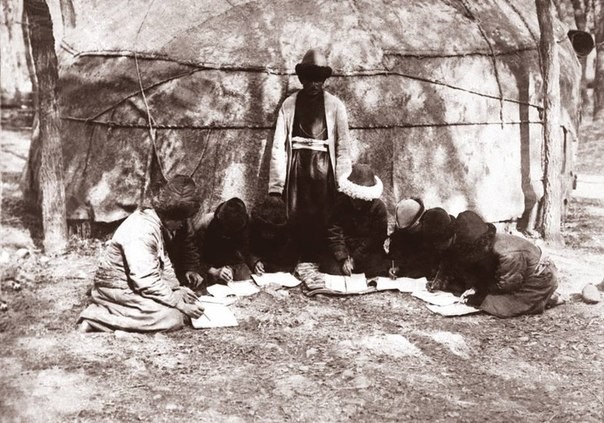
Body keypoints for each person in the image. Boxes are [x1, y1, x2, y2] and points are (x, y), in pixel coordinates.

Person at [77, 175, 205, 332]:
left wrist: (177, 290)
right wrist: (178, 303)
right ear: (170, 216)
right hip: (117, 289)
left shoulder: (156, 224)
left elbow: (164, 264)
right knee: (173, 317)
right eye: (181, 220)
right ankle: (97, 318)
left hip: (133, 286)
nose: (182, 225)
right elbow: (145, 279)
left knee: (180, 300)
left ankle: (111, 312)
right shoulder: (142, 230)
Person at [269, 48, 352, 261]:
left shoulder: (335, 106)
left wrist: (343, 183)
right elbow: (278, 146)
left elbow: (343, 147)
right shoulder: (289, 104)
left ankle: (321, 258)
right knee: (296, 213)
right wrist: (276, 187)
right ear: (302, 79)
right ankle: (296, 257)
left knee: (323, 214)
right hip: (297, 167)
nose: (314, 84)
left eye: (319, 80)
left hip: (323, 167)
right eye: (309, 79)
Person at [432, 210, 561, 318]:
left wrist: (480, 294)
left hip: (539, 279)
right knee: (485, 297)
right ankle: (542, 298)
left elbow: (508, 284)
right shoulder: (490, 246)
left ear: (482, 243)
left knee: (499, 306)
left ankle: (544, 298)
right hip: (519, 276)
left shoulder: (508, 253)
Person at [321, 164, 388, 277]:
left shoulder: (378, 207)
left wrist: (354, 258)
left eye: (361, 199)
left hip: (366, 250)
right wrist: (343, 257)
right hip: (345, 246)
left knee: (378, 268)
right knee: (330, 267)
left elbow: (377, 237)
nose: (357, 203)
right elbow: (333, 231)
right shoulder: (340, 202)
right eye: (354, 198)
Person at [181, 197, 252, 284]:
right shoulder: (205, 224)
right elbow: (193, 256)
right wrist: (213, 270)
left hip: (228, 265)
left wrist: (230, 269)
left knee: (245, 275)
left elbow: (242, 253)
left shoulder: (243, 225)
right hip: (207, 264)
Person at [388, 200, 456, 280]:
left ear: (418, 222)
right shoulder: (404, 225)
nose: (410, 232)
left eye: (412, 229)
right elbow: (398, 251)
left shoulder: (435, 224)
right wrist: (398, 268)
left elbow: (435, 259)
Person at [249, 196, 297, 274]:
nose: (266, 234)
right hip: (259, 271)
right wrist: (255, 262)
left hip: (280, 271)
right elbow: (247, 250)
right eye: (264, 228)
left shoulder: (288, 233)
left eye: (270, 230)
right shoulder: (254, 226)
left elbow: (290, 262)